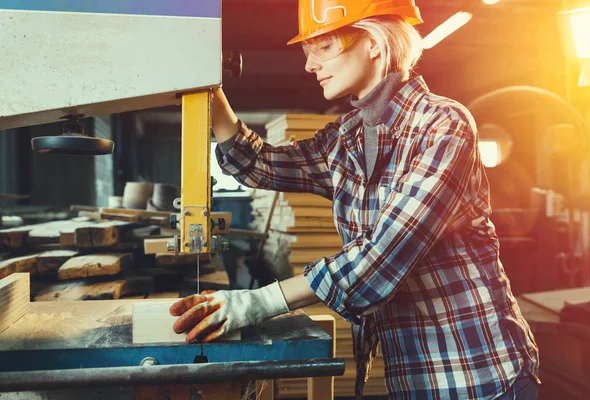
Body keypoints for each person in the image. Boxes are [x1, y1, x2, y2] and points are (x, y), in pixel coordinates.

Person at [170, 0, 540, 398]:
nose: (310, 65)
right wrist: (209, 85)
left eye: (324, 47)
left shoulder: (442, 125)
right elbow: (256, 163)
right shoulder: (345, 138)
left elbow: (379, 258)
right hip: (411, 374)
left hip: (477, 370)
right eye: (308, 51)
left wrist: (257, 302)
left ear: (374, 43)